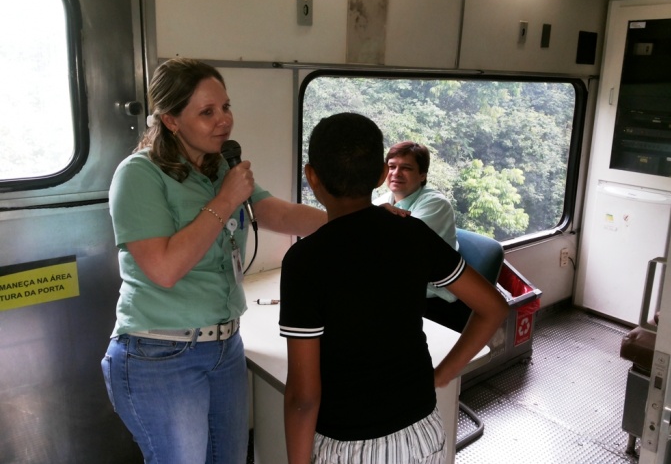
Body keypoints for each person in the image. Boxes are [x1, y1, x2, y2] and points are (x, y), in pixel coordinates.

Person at [101, 57, 327, 464]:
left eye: (225, 106)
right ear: (171, 121)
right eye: (207, 112)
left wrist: (353, 219)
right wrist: (225, 201)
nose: (224, 120)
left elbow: (275, 213)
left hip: (225, 347)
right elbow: (164, 269)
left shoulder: (219, 165)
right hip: (160, 353)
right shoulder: (139, 175)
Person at [280, 113, 509, 464]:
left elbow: (303, 397)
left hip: (348, 445)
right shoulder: (412, 232)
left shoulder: (303, 261)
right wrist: (441, 375)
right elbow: (494, 307)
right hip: (423, 433)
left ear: (311, 176)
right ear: (379, 176)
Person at [373, 141, 468, 332]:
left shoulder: (436, 204)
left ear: (422, 175)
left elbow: (396, 246)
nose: (396, 173)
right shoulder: (383, 200)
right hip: (400, 292)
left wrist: (376, 218)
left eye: (406, 168)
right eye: (392, 166)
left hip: (434, 301)